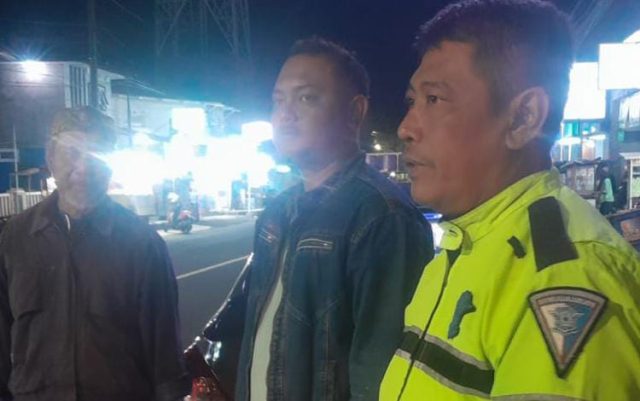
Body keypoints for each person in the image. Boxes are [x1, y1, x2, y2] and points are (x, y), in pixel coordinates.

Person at [379, 1, 640, 400]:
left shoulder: (565, 276)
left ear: (523, 118)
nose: (406, 128)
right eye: (413, 101)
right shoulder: (464, 244)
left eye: (434, 99)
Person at [203, 37, 433, 401]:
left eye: (306, 98)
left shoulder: (382, 216)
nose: (285, 114)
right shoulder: (278, 211)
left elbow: (381, 372)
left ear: (355, 112)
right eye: (278, 100)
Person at [0, 107, 190, 401]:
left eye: (97, 154)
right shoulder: (15, 238)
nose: (84, 168)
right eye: (72, 153)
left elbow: (166, 363)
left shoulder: (143, 244)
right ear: (50, 158)